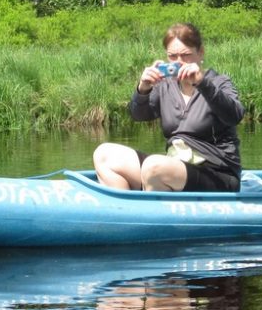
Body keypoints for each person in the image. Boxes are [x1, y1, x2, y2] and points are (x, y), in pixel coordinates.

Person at [93, 22, 245, 192]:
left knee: (154, 166)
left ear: (200, 52)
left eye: (185, 55)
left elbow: (235, 115)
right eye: (172, 56)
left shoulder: (218, 82)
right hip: (174, 168)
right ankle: (125, 210)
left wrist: (202, 83)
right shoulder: (164, 86)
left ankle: (154, 208)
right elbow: (138, 115)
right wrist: (143, 88)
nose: (179, 62)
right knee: (104, 154)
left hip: (217, 173)